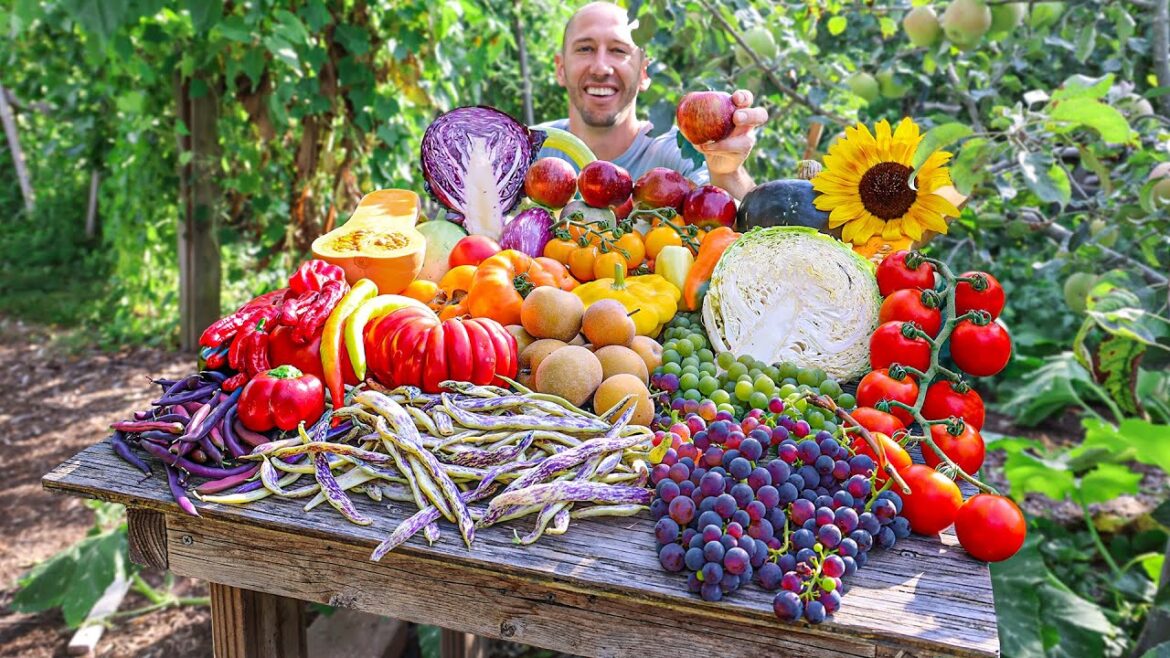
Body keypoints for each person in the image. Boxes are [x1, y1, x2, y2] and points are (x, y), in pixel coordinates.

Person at [536, 1, 768, 200]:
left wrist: (727, 174)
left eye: (618, 50)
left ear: (643, 72)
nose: (601, 68)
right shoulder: (530, 149)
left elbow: (736, 222)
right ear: (560, 68)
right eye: (585, 48)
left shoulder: (680, 153)